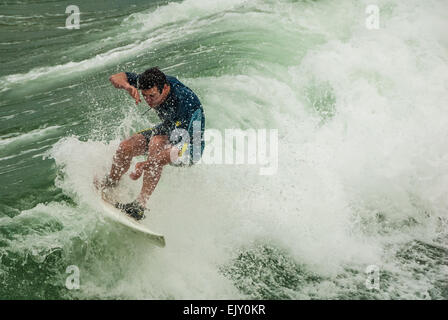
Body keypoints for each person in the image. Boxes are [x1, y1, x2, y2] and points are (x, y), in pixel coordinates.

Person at [96, 67, 205, 220]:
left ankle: (140, 206)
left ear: (165, 88)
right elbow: (116, 77)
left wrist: (146, 164)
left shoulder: (186, 102)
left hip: (191, 146)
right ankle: (111, 182)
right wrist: (128, 86)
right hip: (169, 129)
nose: (148, 101)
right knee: (126, 146)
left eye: (152, 96)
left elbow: (178, 150)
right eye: (145, 96)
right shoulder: (152, 81)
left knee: (156, 142)